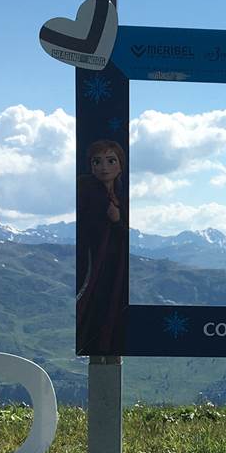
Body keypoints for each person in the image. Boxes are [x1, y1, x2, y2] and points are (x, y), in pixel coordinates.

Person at [77, 138, 128, 353]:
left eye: (110, 161)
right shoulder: (87, 190)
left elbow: (123, 234)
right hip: (94, 266)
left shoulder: (120, 196)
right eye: (97, 162)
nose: (104, 167)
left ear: (120, 165)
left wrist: (117, 220)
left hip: (113, 267)